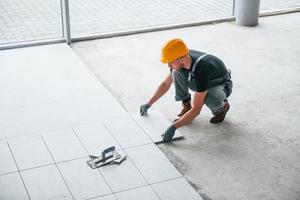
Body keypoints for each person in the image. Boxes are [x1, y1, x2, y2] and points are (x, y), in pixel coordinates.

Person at [140, 38, 232, 143]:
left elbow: (197, 108)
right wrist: (149, 103)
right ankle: (186, 105)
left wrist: (174, 127)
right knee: (176, 73)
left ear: (182, 60)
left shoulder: (202, 69)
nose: (168, 65)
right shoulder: (181, 57)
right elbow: (166, 83)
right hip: (201, 80)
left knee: (210, 97)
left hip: (220, 84)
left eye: (170, 62)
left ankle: (221, 108)